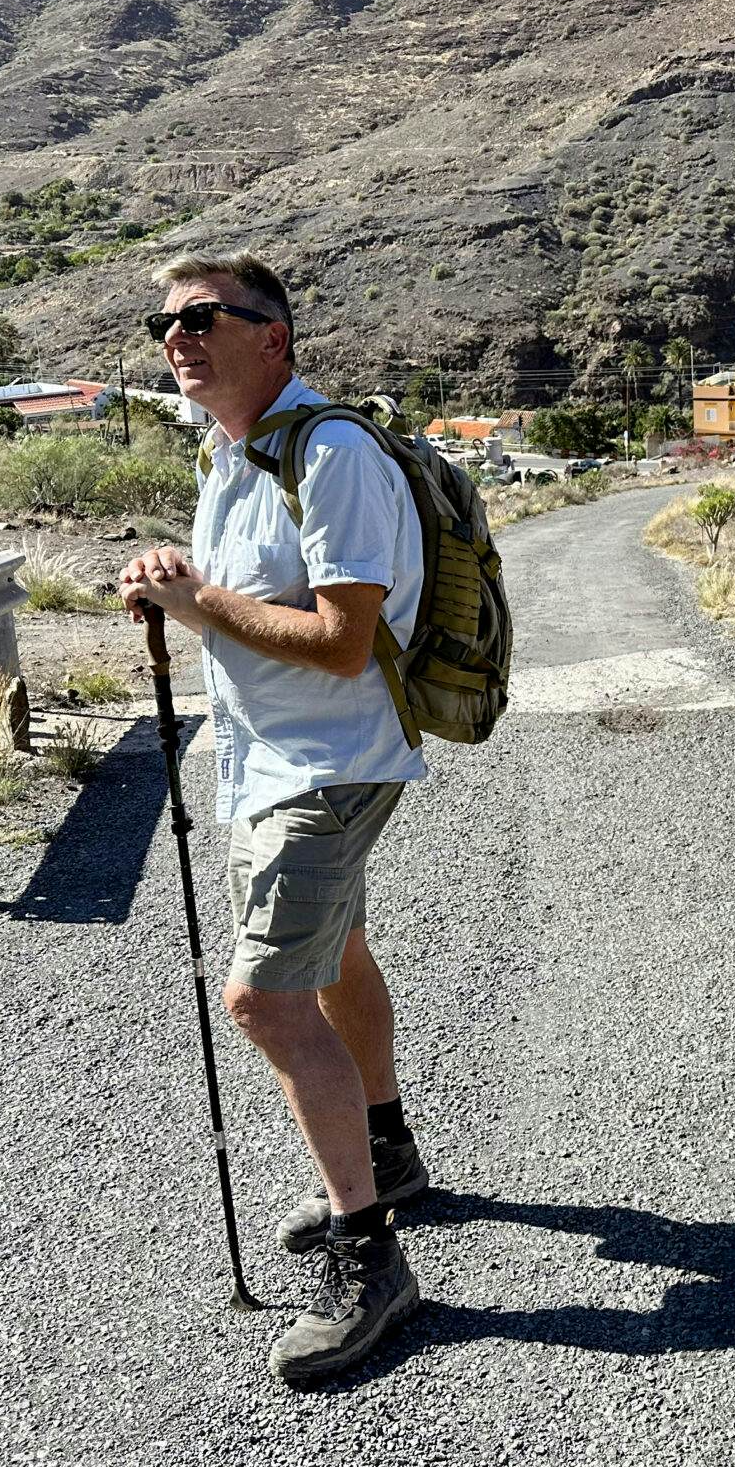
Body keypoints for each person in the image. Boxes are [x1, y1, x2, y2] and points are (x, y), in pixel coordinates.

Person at [117, 251, 428, 1385]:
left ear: (274, 338)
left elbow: (344, 639)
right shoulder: (230, 453)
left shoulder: (333, 453)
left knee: (264, 999)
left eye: (206, 318)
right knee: (336, 949)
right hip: (262, 762)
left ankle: (369, 1259)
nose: (179, 338)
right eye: (168, 323)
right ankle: (385, 1151)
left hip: (329, 767)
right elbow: (246, 595)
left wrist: (197, 603)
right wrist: (176, 578)